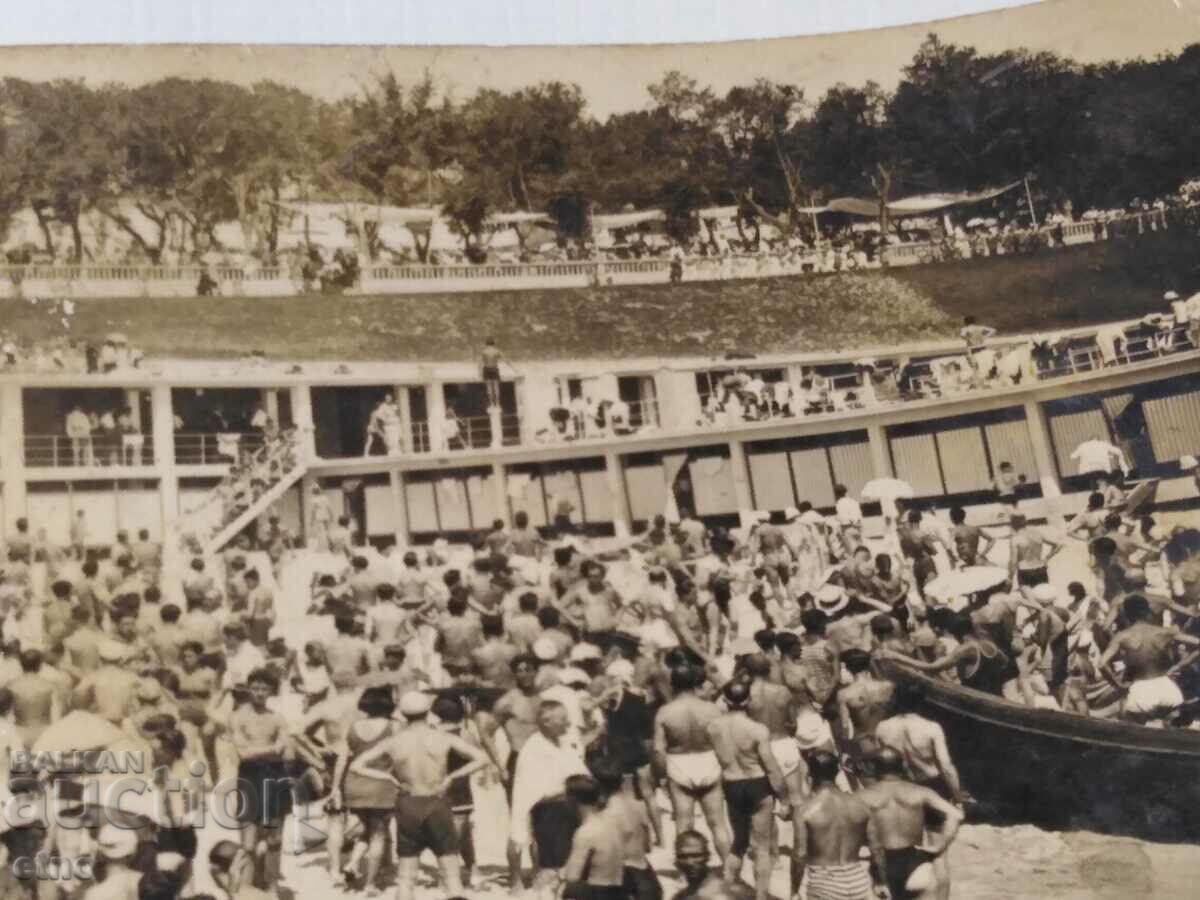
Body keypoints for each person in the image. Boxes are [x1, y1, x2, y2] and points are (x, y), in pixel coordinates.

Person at [349, 690, 490, 900]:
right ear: (428, 712)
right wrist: (452, 777)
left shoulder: (395, 741)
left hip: (409, 803)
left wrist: (388, 778)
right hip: (437, 801)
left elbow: (356, 765)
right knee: (452, 875)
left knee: (406, 878)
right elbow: (481, 758)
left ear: (403, 714)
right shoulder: (442, 737)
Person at [706, 679, 785, 900]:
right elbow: (772, 768)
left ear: (725, 700)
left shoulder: (713, 728)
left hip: (732, 784)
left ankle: (728, 892)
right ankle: (760, 897)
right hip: (756, 783)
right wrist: (785, 799)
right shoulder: (758, 730)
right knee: (762, 848)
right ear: (748, 699)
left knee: (739, 842)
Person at [857, 746, 963, 900]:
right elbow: (956, 815)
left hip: (880, 866)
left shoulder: (862, 796)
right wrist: (940, 845)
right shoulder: (920, 791)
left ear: (873, 768)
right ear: (902, 765)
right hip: (916, 864)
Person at [653, 664, 731, 864]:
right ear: (697, 683)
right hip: (708, 760)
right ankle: (729, 871)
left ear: (672, 685)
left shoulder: (665, 712)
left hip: (679, 763)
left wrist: (662, 777)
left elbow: (658, 750)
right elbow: (724, 743)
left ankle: (686, 875)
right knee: (718, 824)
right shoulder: (712, 710)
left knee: (684, 824)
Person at [230, 668, 292, 892]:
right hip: (249, 778)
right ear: (248, 689)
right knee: (248, 843)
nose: (259, 692)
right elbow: (243, 753)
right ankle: (246, 889)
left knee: (274, 840)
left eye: (264, 688)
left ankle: (272, 888)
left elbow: (282, 749)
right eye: (255, 688)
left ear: (271, 691)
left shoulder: (277, 718)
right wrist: (269, 749)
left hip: (274, 778)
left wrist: (258, 749)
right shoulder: (238, 716)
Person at [1098, 594, 1200, 723]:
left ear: (1126, 615)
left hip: (1141, 691)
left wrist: (1118, 685)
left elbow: (1101, 664)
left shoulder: (1122, 636)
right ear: (1148, 612)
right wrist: (1179, 665)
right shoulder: (1164, 632)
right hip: (1168, 689)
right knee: (1170, 730)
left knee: (1129, 727)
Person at [793, 750, 875, 900]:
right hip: (858, 881)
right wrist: (880, 882)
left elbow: (800, 854)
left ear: (810, 775)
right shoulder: (860, 805)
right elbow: (876, 848)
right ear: (837, 772)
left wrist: (794, 889)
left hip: (824, 883)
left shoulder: (805, 810)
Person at [561, 774, 627, 900]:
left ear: (573, 800)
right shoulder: (611, 823)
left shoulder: (585, 832)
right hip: (618, 891)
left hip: (597, 893)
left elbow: (572, 877)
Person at [671, 829, 753, 900]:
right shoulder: (680, 897)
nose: (689, 862)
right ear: (676, 861)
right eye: (683, 856)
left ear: (707, 856)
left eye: (696, 856)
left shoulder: (732, 889)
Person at [1008, 514, 1064, 589]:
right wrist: (1047, 558)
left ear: (1013, 525)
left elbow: (1013, 562)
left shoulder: (1015, 539)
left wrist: (1010, 578)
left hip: (1025, 571)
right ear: (1025, 522)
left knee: (1029, 599)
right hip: (1041, 569)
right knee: (1043, 597)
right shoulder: (1037, 533)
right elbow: (1059, 545)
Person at [481, 337, 505, 408]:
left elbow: (480, 363)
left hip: (486, 369)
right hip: (494, 369)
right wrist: (515, 369)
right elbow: (505, 360)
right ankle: (497, 404)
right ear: (493, 344)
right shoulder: (497, 351)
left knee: (489, 388)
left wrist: (479, 373)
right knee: (496, 387)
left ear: (486, 344)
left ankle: (491, 404)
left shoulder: (484, 351)